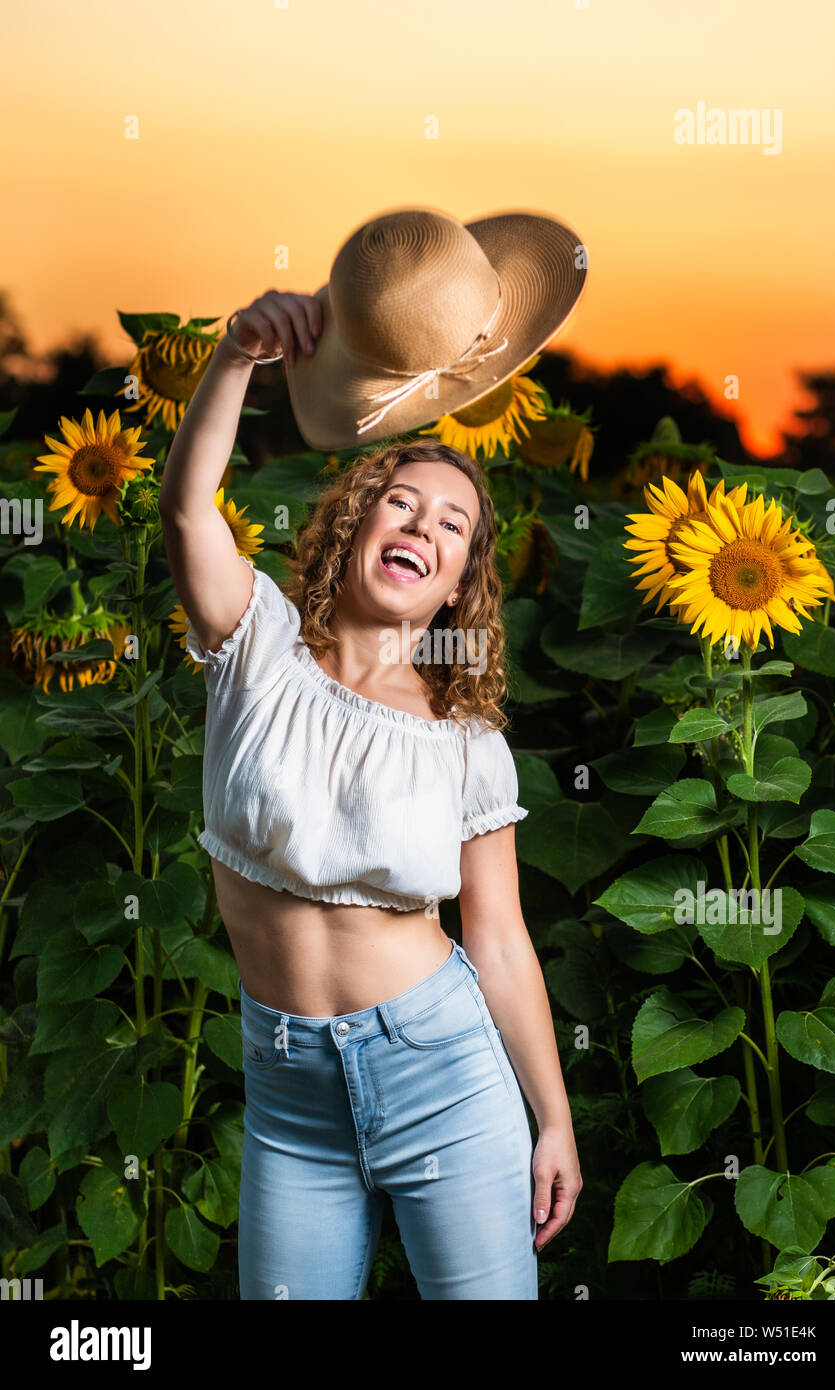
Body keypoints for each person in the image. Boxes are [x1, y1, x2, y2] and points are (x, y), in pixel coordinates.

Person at [159, 279, 583, 1300]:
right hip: (288, 1090)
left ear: (453, 584)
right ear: (355, 524)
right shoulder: (252, 642)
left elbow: (497, 939)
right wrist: (237, 354)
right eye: (400, 500)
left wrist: (552, 1117)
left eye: (449, 525)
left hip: (440, 1073)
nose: (421, 525)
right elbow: (185, 505)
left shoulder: (465, 740)